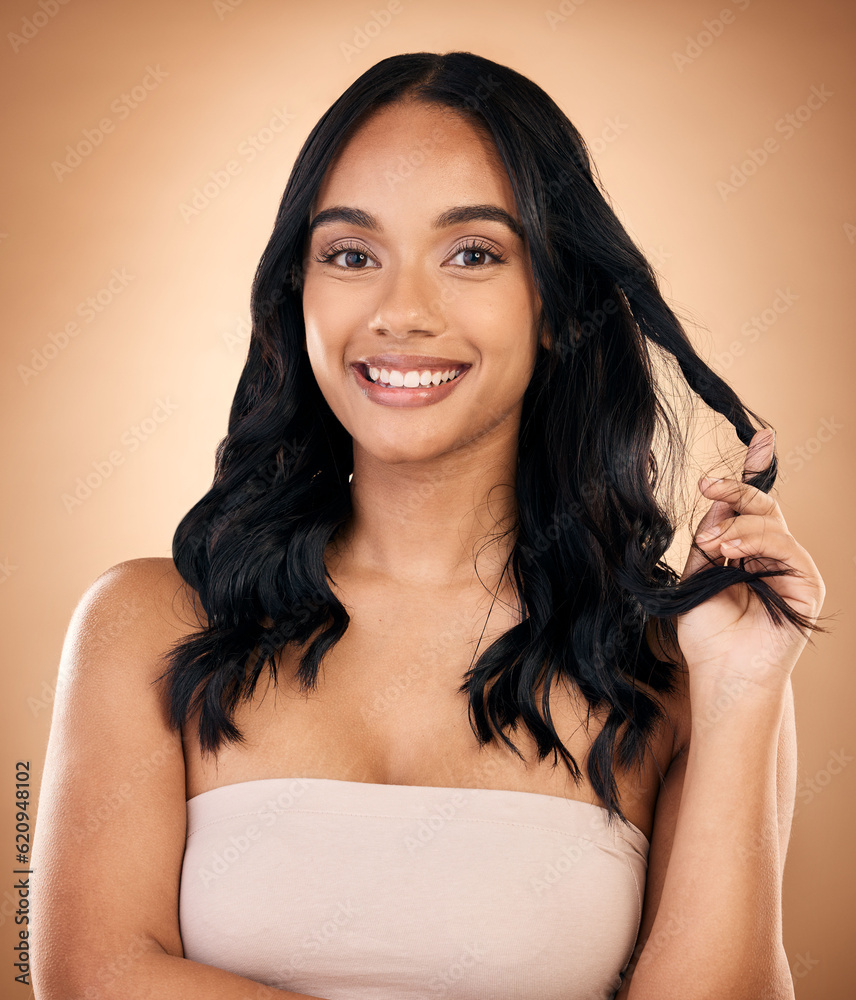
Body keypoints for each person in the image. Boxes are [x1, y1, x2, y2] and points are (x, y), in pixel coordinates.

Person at [31, 51, 827, 1000]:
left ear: (556, 306)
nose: (401, 312)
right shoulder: (148, 624)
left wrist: (741, 694)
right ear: (301, 293)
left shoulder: (688, 661)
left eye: (474, 254)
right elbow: (92, 978)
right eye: (352, 255)